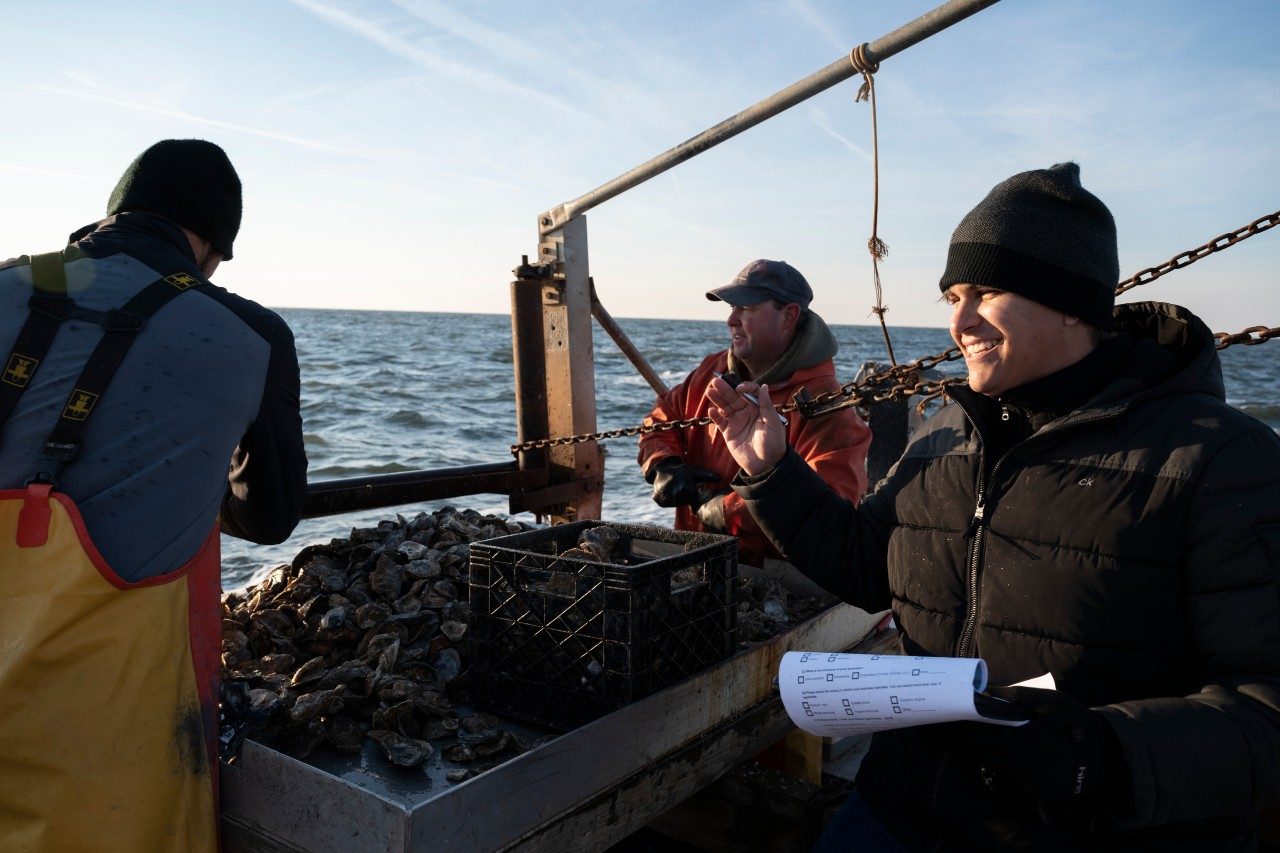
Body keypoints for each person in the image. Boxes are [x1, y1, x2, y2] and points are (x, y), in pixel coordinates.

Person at [706, 164, 1280, 850]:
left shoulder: (1217, 461)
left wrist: (1099, 754)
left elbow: (1265, 706)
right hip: (906, 800)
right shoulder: (946, 432)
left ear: (1072, 301)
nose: (960, 318)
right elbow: (867, 562)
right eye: (953, 292)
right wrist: (771, 470)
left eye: (987, 290)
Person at [0, 139, 308, 851]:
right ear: (212, 246)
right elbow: (270, 515)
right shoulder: (252, 332)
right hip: (104, 753)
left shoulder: (16, 277)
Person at [637, 259, 871, 566]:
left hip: (774, 585)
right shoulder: (713, 370)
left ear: (788, 316)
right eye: (731, 308)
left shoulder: (826, 406)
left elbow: (828, 510)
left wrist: (727, 512)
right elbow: (662, 417)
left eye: (746, 308)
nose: (731, 320)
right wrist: (663, 464)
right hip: (690, 562)